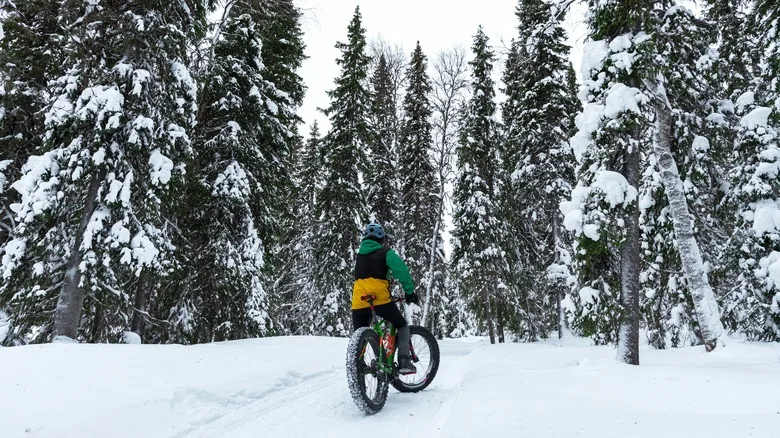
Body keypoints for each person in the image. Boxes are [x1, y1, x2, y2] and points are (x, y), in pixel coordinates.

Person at [352, 222, 419, 375]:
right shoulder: (385, 252)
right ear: (381, 238)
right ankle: (404, 361)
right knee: (401, 325)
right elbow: (401, 271)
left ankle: (358, 369)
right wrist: (409, 292)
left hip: (358, 302)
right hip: (379, 299)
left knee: (359, 339)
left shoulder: (360, 255)